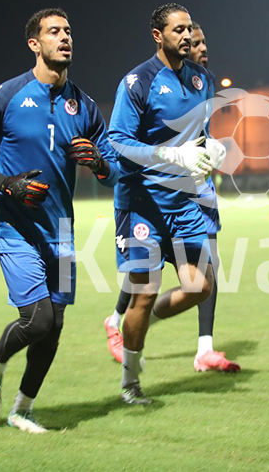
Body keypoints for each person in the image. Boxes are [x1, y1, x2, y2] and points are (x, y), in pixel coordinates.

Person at [0, 8, 118, 433]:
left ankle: (23, 410)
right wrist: (4, 183)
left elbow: (113, 169)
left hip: (60, 230)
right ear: (34, 44)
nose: (65, 38)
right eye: (54, 32)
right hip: (16, 229)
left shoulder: (85, 105)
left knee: (55, 326)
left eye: (68, 32)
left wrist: (98, 161)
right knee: (37, 319)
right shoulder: (5, 96)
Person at [103, 22, 239, 373]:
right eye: (180, 30)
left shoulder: (202, 80)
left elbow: (200, 134)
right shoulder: (138, 82)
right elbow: (118, 141)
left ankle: (177, 336)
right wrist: (171, 155)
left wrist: (211, 151)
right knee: (143, 292)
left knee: (202, 284)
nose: (192, 40)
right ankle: (129, 372)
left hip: (186, 200)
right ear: (157, 34)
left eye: (194, 34)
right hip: (143, 203)